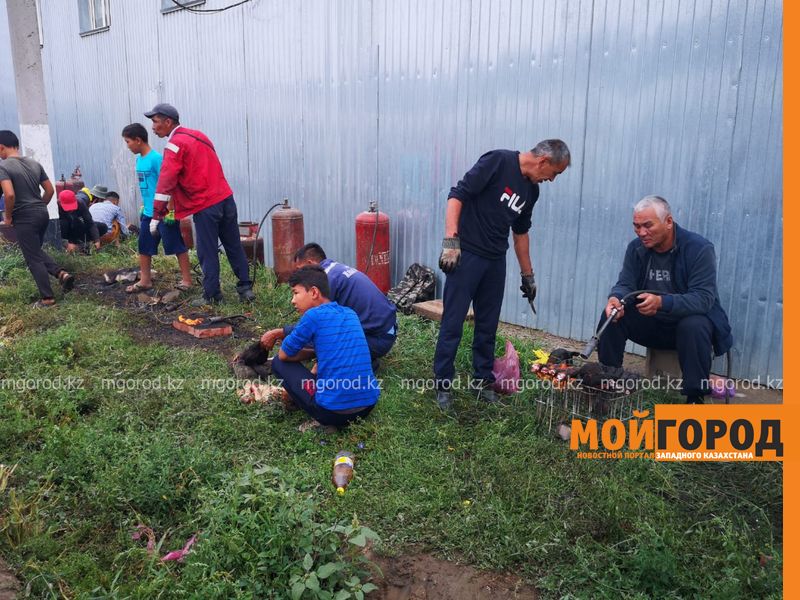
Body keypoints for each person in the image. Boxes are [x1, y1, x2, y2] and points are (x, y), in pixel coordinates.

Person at [433, 139, 571, 412]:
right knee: (453, 323)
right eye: (555, 173)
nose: (552, 180)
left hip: (495, 261)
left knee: (488, 326)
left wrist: (528, 275)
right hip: (467, 255)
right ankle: (443, 385)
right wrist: (451, 241)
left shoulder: (532, 192)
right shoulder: (498, 161)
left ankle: (482, 382)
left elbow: (520, 233)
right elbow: (457, 195)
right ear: (543, 161)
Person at [597, 195, 733, 404]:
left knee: (695, 324)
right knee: (612, 315)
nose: (642, 232)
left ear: (668, 222)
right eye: (636, 226)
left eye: (648, 225)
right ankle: (609, 383)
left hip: (685, 329)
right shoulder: (636, 248)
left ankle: (694, 398)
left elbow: (703, 299)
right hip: (652, 325)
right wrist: (616, 298)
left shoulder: (699, 249)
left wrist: (662, 303)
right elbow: (626, 284)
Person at [144, 103, 254, 305]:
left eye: (155, 122)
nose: (152, 127)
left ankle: (212, 295)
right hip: (225, 198)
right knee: (233, 244)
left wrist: (156, 215)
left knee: (207, 249)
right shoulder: (199, 136)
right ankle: (245, 288)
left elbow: (166, 181)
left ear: (168, 122)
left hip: (205, 204)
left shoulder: (174, 145)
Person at [264, 265, 379, 429]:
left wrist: (307, 354)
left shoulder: (313, 316)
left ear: (314, 292)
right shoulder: (350, 313)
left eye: (296, 293)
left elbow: (283, 355)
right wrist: (316, 353)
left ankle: (324, 420)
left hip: (333, 413)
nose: (293, 300)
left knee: (278, 363)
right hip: (367, 407)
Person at [259, 243, 397, 367]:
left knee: (323, 339)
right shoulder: (335, 269)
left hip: (378, 339)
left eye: (300, 269)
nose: (299, 274)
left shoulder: (327, 280)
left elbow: (315, 326)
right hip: (385, 330)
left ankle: (361, 363)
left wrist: (280, 333)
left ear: (310, 262)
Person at [0, 130, 74, 307]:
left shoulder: (3, 167)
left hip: (24, 217)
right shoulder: (34, 163)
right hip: (42, 213)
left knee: (32, 258)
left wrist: (8, 216)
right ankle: (61, 274)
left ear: (1, 147)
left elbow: (9, 195)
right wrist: (39, 205)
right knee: (35, 250)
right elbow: (49, 190)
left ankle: (47, 299)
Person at [122, 122, 193, 293]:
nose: (128, 146)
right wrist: (144, 205)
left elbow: (169, 183)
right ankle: (145, 280)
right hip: (148, 213)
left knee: (176, 246)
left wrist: (171, 209)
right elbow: (148, 186)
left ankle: (187, 281)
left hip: (163, 213)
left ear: (138, 140)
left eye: (128, 142)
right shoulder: (139, 160)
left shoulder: (157, 159)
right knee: (144, 247)